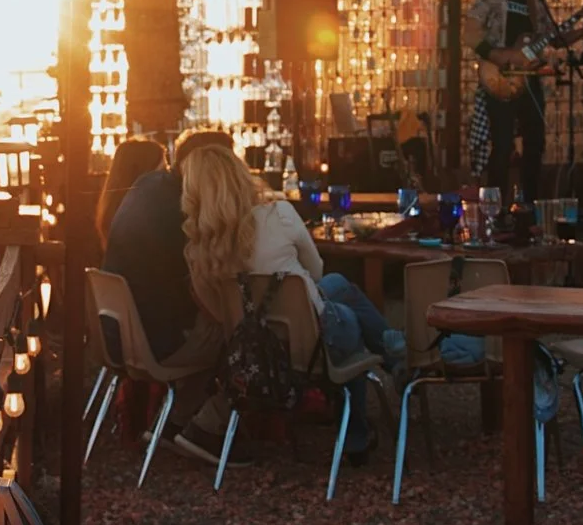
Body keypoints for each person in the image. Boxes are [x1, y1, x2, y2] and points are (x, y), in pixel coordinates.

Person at [175, 143, 402, 462]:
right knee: (346, 315)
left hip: (258, 353)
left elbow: (220, 315)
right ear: (240, 176)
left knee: (339, 286)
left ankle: (392, 365)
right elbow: (315, 271)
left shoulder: (200, 249)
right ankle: (370, 408)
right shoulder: (279, 214)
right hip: (313, 343)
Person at [99, 128, 238, 452]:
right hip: (156, 345)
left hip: (116, 339)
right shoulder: (181, 208)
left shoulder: (148, 185)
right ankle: (207, 428)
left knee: (213, 322)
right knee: (236, 330)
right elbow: (202, 287)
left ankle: (175, 423)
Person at [465, 0, 583, 198]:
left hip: (529, 78)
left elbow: (552, 38)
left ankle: (529, 204)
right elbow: (470, 33)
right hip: (500, 77)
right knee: (502, 144)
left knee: (535, 142)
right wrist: (497, 55)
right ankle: (495, 206)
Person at [96, 137, 169, 248]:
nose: (168, 175)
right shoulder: (146, 223)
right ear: (141, 175)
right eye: (163, 170)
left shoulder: (116, 217)